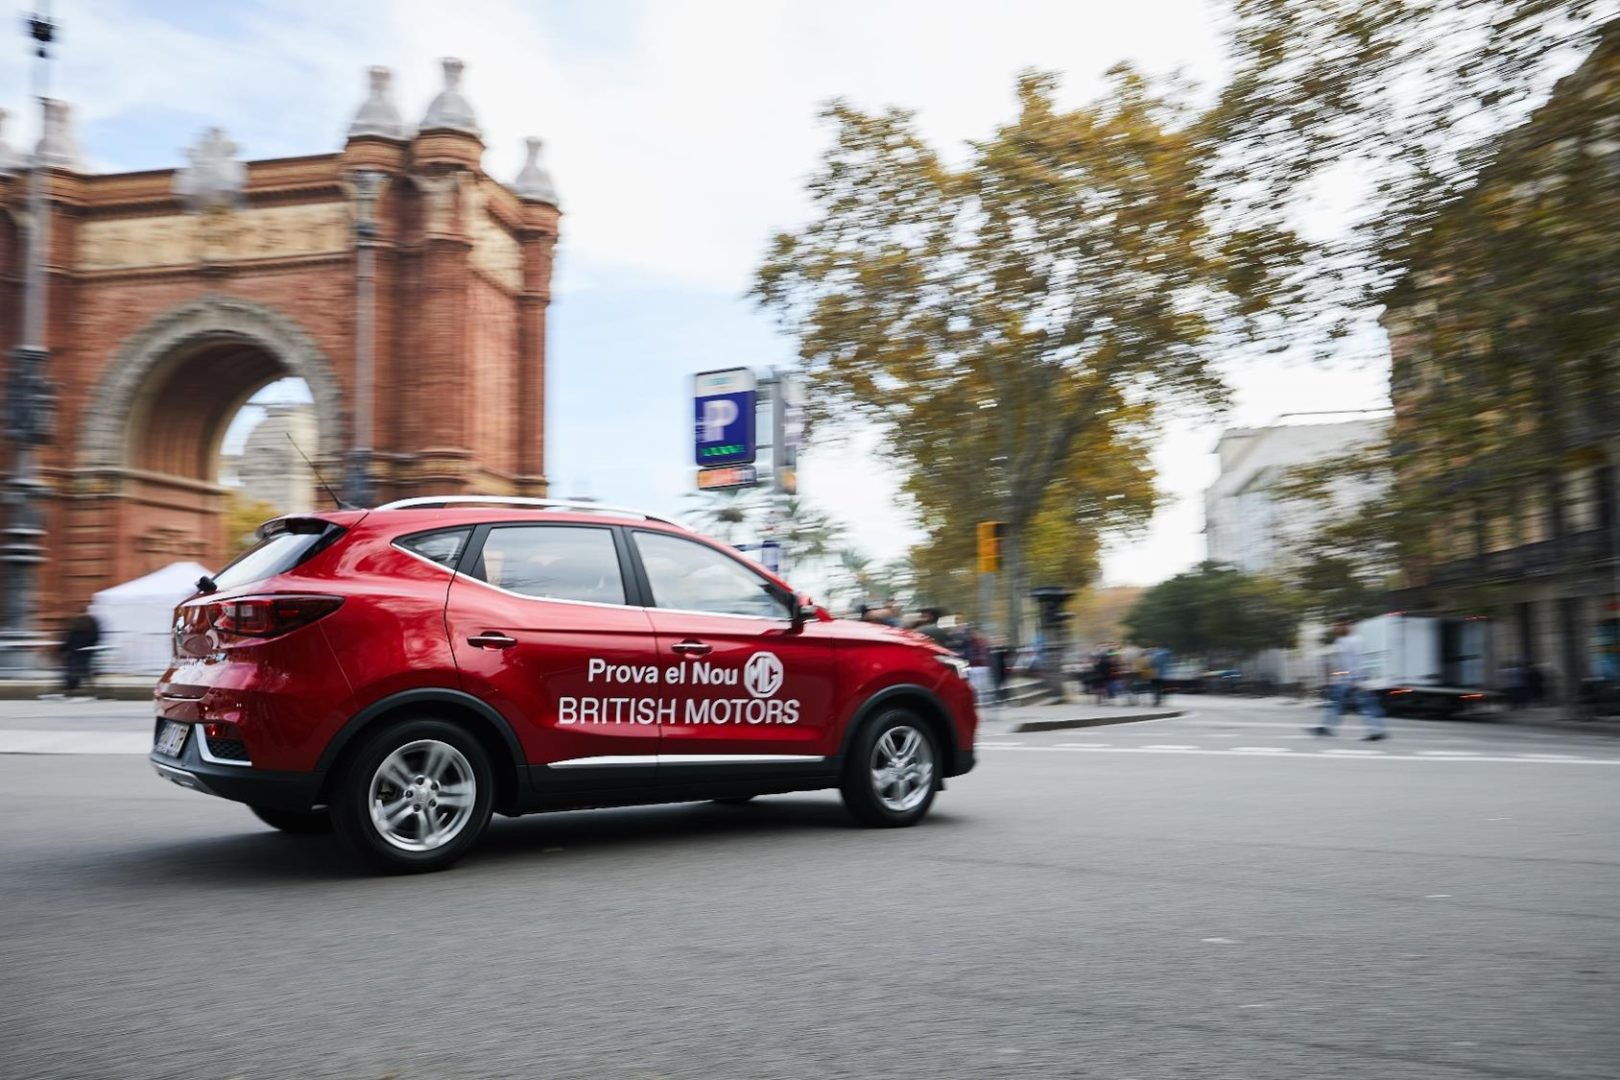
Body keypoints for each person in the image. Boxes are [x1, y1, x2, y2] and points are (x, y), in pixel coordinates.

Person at [1313, 618, 1387, 741]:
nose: (1335, 629)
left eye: (1338, 626)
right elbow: (1344, 663)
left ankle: (1376, 731)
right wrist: (1338, 676)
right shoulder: (1342, 641)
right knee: (1337, 703)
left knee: (1366, 704)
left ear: (1346, 626)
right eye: (1335, 627)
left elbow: (1358, 660)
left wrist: (1356, 678)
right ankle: (1326, 727)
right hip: (1346, 678)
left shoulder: (1353, 641)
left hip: (1355, 678)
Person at [55, 609, 101, 701]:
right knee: (83, 671)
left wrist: (61, 649)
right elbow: (96, 637)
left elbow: (69, 639)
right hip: (86, 652)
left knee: (73, 670)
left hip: (75, 653)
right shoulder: (91, 623)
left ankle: (70, 690)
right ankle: (91, 691)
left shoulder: (76, 624)